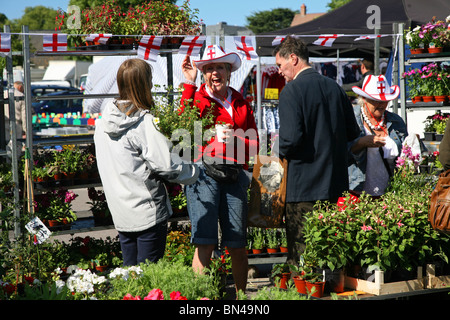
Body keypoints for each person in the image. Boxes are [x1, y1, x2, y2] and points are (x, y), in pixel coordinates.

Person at [94, 58, 199, 266]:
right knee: (149, 277)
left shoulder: (102, 122)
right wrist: (195, 172)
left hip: (121, 212)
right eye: (149, 80)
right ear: (145, 84)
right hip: (147, 211)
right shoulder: (143, 122)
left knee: (131, 276)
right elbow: (167, 165)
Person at [274, 36, 361, 265]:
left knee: (303, 257)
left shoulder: (291, 91)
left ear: (293, 59)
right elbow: (353, 133)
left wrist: (277, 148)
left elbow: (290, 140)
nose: (279, 72)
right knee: (332, 253)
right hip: (336, 185)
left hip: (303, 188)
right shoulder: (336, 88)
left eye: (280, 66)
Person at [181, 45, 259, 293]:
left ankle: (242, 299)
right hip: (203, 176)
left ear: (228, 71)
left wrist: (236, 139)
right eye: (209, 68)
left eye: (220, 67)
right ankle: (198, 300)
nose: (215, 72)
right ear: (202, 72)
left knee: (237, 243)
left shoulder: (240, 101)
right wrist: (188, 86)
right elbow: (182, 139)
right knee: (205, 243)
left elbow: (255, 144)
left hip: (234, 176)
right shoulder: (195, 97)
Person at [348, 74, 408, 197]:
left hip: (390, 193)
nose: (381, 104)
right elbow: (338, 153)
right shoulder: (350, 119)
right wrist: (361, 143)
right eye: (375, 100)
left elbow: (405, 153)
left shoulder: (396, 121)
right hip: (357, 192)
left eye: (385, 100)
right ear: (363, 99)